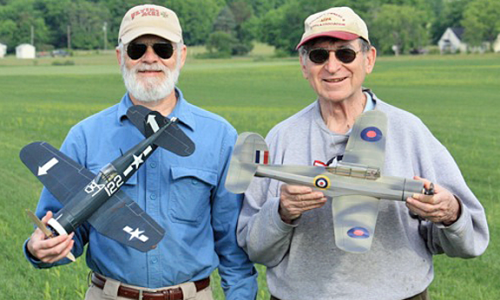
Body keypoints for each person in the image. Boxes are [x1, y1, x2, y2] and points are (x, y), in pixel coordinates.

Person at [236, 6, 489, 300]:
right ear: (304, 66)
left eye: (345, 53)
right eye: (319, 55)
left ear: (368, 59)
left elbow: (470, 240)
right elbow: (254, 247)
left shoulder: (410, 130)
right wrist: (282, 212)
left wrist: (450, 214)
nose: (332, 66)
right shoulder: (282, 136)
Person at [23, 4, 257, 300]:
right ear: (120, 57)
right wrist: (39, 248)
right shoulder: (84, 135)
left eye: (163, 48)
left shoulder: (220, 135)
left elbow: (230, 240)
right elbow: (62, 225)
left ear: (181, 55)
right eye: (137, 49)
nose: (150, 58)